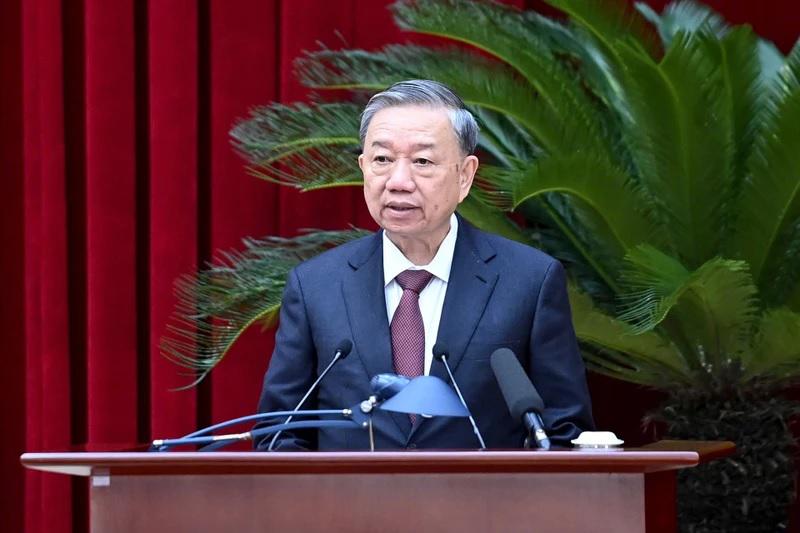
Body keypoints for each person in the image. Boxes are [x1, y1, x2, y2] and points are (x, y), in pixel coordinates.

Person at [255, 79, 594, 450]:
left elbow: (563, 434)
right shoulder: (316, 286)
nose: (398, 182)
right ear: (363, 167)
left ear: (465, 176)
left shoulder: (529, 281)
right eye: (382, 160)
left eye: (422, 161)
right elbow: (278, 434)